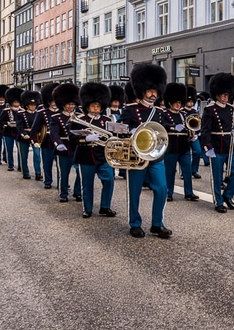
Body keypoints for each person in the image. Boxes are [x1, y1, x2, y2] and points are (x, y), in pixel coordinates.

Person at [119, 64, 171, 239]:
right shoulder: (130, 110)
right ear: (141, 91)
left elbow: (165, 128)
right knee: (134, 192)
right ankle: (135, 223)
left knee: (162, 188)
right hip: (136, 157)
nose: (153, 94)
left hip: (155, 156)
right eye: (149, 91)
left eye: (155, 91)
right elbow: (120, 128)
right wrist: (131, 131)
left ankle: (157, 223)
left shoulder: (160, 111)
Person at [73, 82, 117, 219]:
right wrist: (86, 139)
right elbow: (71, 136)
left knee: (109, 180)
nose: (95, 108)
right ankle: (88, 208)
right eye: (93, 105)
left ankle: (105, 206)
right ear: (87, 106)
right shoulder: (80, 119)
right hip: (85, 155)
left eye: (98, 106)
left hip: (103, 155)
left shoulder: (107, 119)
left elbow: (114, 136)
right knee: (87, 184)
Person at [200, 72, 234, 213]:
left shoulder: (231, 109)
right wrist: (207, 147)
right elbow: (205, 130)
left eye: (227, 94)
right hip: (216, 146)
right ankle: (218, 201)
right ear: (216, 94)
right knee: (217, 177)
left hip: (230, 146)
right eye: (223, 94)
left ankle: (228, 196)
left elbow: (232, 124)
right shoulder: (209, 110)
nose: (225, 97)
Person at [160, 82, 200, 202]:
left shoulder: (183, 115)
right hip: (171, 147)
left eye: (179, 103)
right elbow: (162, 125)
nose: (178, 105)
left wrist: (192, 133)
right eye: (176, 102)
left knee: (187, 171)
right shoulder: (164, 114)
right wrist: (173, 127)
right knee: (170, 171)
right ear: (170, 102)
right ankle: (168, 192)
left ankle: (189, 192)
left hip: (184, 147)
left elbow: (190, 126)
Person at [49, 83, 83, 203]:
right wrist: (58, 143)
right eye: (69, 104)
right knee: (64, 173)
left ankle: (78, 192)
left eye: (73, 104)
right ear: (63, 104)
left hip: (77, 147)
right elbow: (53, 132)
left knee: (80, 171)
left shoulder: (79, 116)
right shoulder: (56, 117)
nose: (70, 106)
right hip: (63, 148)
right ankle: (63, 193)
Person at [16, 90, 43, 181]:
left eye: (34, 105)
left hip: (35, 136)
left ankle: (38, 173)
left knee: (37, 155)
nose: (33, 106)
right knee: (24, 156)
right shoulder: (20, 114)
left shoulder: (38, 114)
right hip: (24, 136)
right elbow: (19, 126)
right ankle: (25, 172)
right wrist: (23, 133)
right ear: (27, 105)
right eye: (31, 105)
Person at [0, 88, 24, 172]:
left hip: (18, 133)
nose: (16, 104)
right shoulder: (6, 111)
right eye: (15, 102)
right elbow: (1, 121)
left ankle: (20, 165)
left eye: (18, 102)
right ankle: (10, 165)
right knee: (9, 150)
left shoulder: (22, 111)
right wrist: (7, 124)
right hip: (8, 132)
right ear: (11, 102)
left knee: (20, 150)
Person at [184, 86, 205, 180]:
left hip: (194, 135)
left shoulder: (194, 111)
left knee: (198, 151)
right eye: (189, 101)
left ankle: (194, 170)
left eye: (192, 101)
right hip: (184, 136)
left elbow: (198, 123)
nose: (191, 103)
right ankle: (184, 172)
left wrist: (197, 131)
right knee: (185, 154)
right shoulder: (181, 111)